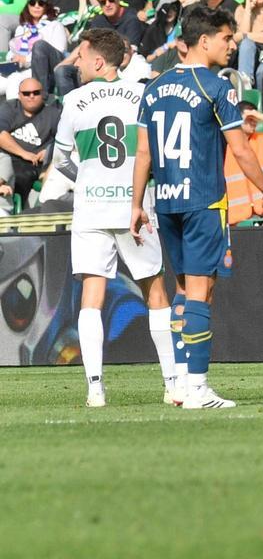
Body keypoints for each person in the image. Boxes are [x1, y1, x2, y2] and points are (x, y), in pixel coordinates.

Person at [130, 6, 263, 410]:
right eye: (228, 39)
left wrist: (135, 205)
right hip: (203, 200)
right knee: (201, 292)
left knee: (183, 290)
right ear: (205, 41)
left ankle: (180, 382)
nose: (232, 45)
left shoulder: (154, 87)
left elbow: (142, 152)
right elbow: (241, 149)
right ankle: (197, 388)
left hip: (166, 203)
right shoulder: (216, 86)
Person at [50, 28, 177, 407]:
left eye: (81, 57)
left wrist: (88, 179)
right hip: (134, 205)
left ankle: (95, 390)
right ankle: (172, 384)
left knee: (92, 295)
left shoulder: (73, 100)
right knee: (154, 290)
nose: (77, 63)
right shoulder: (142, 95)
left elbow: (60, 161)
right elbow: (157, 151)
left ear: (99, 61)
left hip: (91, 207)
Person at [0, 77, 61, 213]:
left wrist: (48, 151)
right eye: (26, 93)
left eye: (36, 92)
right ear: (19, 96)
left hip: (37, 165)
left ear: (43, 94)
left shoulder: (52, 113)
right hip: (10, 160)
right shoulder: (10, 107)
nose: (31, 96)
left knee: (26, 174)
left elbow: (64, 139)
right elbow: (1, 135)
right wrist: (24, 153)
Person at [224, 99, 263, 225]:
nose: (253, 122)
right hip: (236, 218)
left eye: (255, 119)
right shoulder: (224, 143)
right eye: (249, 119)